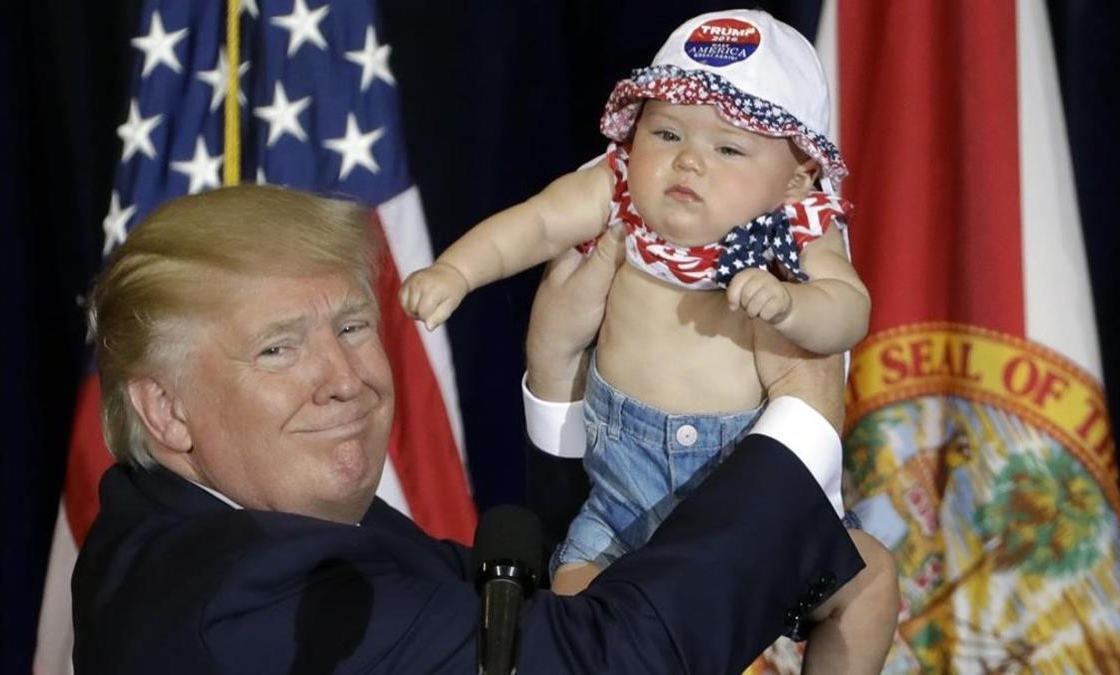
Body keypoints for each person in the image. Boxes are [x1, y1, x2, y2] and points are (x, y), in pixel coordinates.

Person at [73, 184, 875, 673]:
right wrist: (803, 405)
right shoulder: (234, 595)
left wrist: (556, 375)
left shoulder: (230, 524)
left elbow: (525, 617)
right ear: (165, 411)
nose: (345, 380)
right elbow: (606, 663)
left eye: (352, 327)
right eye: (278, 349)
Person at [400, 9, 896, 669]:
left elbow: (850, 312)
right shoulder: (617, 194)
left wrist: (793, 305)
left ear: (798, 173)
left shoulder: (797, 229)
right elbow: (536, 223)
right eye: (665, 132)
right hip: (624, 501)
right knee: (579, 612)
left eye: (728, 148)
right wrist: (455, 271)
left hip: (750, 491)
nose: (688, 160)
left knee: (871, 579)